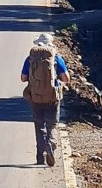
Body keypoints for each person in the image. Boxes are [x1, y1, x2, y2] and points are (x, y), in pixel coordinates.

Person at [20, 32, 70, 167]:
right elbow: (66, 79)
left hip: (36, 97)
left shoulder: (30, 59)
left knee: (39, 126)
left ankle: (40, 157)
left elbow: (23, 78)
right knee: (52, 124)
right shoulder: (56, 58)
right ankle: (51, 143)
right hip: (53, 97)